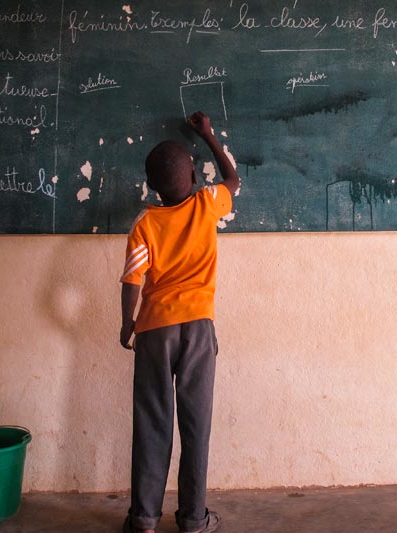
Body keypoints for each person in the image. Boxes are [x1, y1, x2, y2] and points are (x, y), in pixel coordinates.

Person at [119, 111, 240, 533]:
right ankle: (192, 519)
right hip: (199, 329)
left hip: (154, 330)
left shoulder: (146, 224)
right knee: (196, 424)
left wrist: (127, 324)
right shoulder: (208, 205)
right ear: (192, 175)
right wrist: (207, 135)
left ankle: (144, 519)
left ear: (152, 187)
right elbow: (234, 180)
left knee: (152, 423)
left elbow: (133, 279)